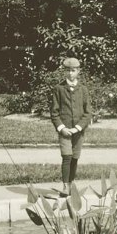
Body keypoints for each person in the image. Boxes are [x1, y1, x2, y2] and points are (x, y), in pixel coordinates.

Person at [48, 57, 92, 191]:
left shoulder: (83, 89)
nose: (70, 73)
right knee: (66, 156)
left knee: (75, 157)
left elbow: (88, 112)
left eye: (73, 71)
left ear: (78, 71)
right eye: (67, 71)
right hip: (65, 130)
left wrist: (78, 127)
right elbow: (54, 112)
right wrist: (61, 128)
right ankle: (65, 186)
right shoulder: (59, 89)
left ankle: (72, 182)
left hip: (78, 131)